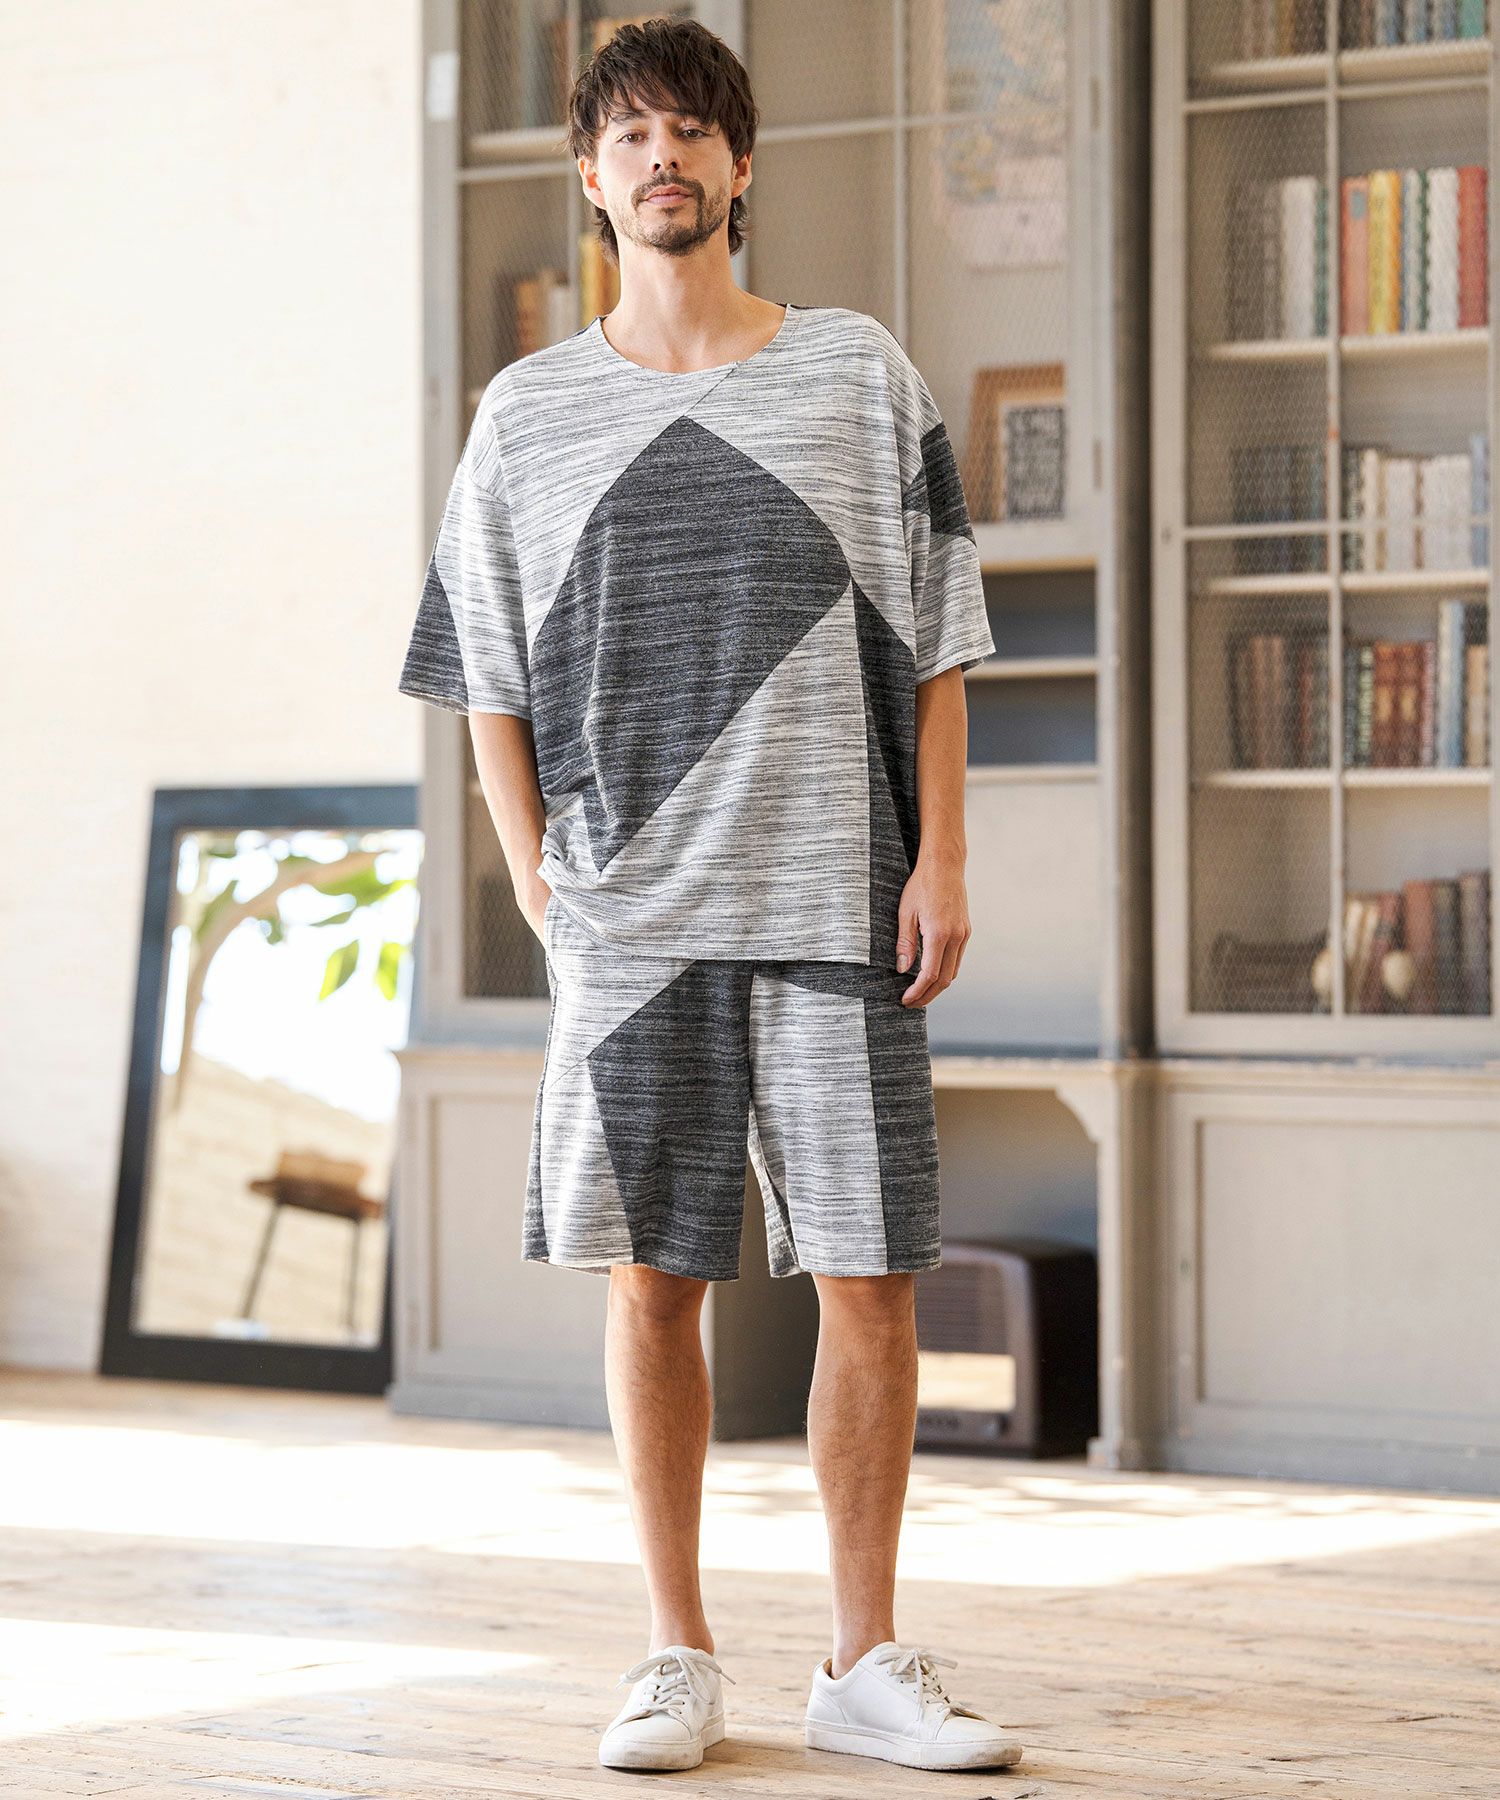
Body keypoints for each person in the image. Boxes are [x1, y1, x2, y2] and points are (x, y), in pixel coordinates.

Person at [397, 13, 1021, 1779]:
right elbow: (481, 672)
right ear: (591, 181)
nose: (661, 156)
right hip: (633, 922)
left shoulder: (856, 373)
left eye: (692, 129)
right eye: (630, 135)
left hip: (839, 901)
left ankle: (862, 1660)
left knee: (872, 1279)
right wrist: (535, 874)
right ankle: (675, 1655)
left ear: (742, 167)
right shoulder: (526, 416)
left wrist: (944, 855)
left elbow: (942, 637)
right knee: (654, 1285)